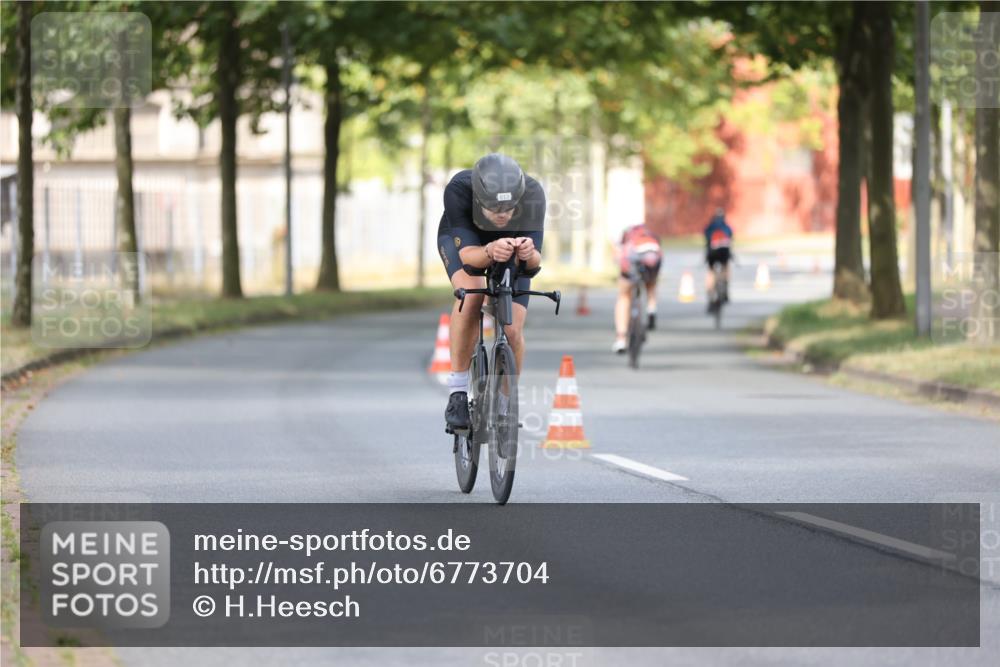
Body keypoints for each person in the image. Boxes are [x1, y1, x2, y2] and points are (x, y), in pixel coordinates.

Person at [437, 153, 545, 430]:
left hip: (511, 250)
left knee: (512, 329)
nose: (502, 214)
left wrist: (528, 253)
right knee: (471, 295)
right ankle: (458, 392)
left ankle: (505, 404)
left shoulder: (533, 193)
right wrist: (489, 250)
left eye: (509, 208)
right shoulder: (459, 190)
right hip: (468, 243)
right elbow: (471, 258)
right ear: (479, 200)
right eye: (494, 208)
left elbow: (534, 264)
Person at [612, 223, 662, 354]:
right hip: (651, 265)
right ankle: (652, 308)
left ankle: (621, 338)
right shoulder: (651, 236)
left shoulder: (626, 237)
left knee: (624, 296)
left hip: (630, 267)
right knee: (651, 284)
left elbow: (618, 257)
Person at [704, 207, 733, 308]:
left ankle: (710, 292)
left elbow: (706, 238)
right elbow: (730, 238)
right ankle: (725, 287)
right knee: (725, 267)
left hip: (712, 251)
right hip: (724, 250)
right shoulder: (727, 226)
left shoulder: (710, 226)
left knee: (711, 271)